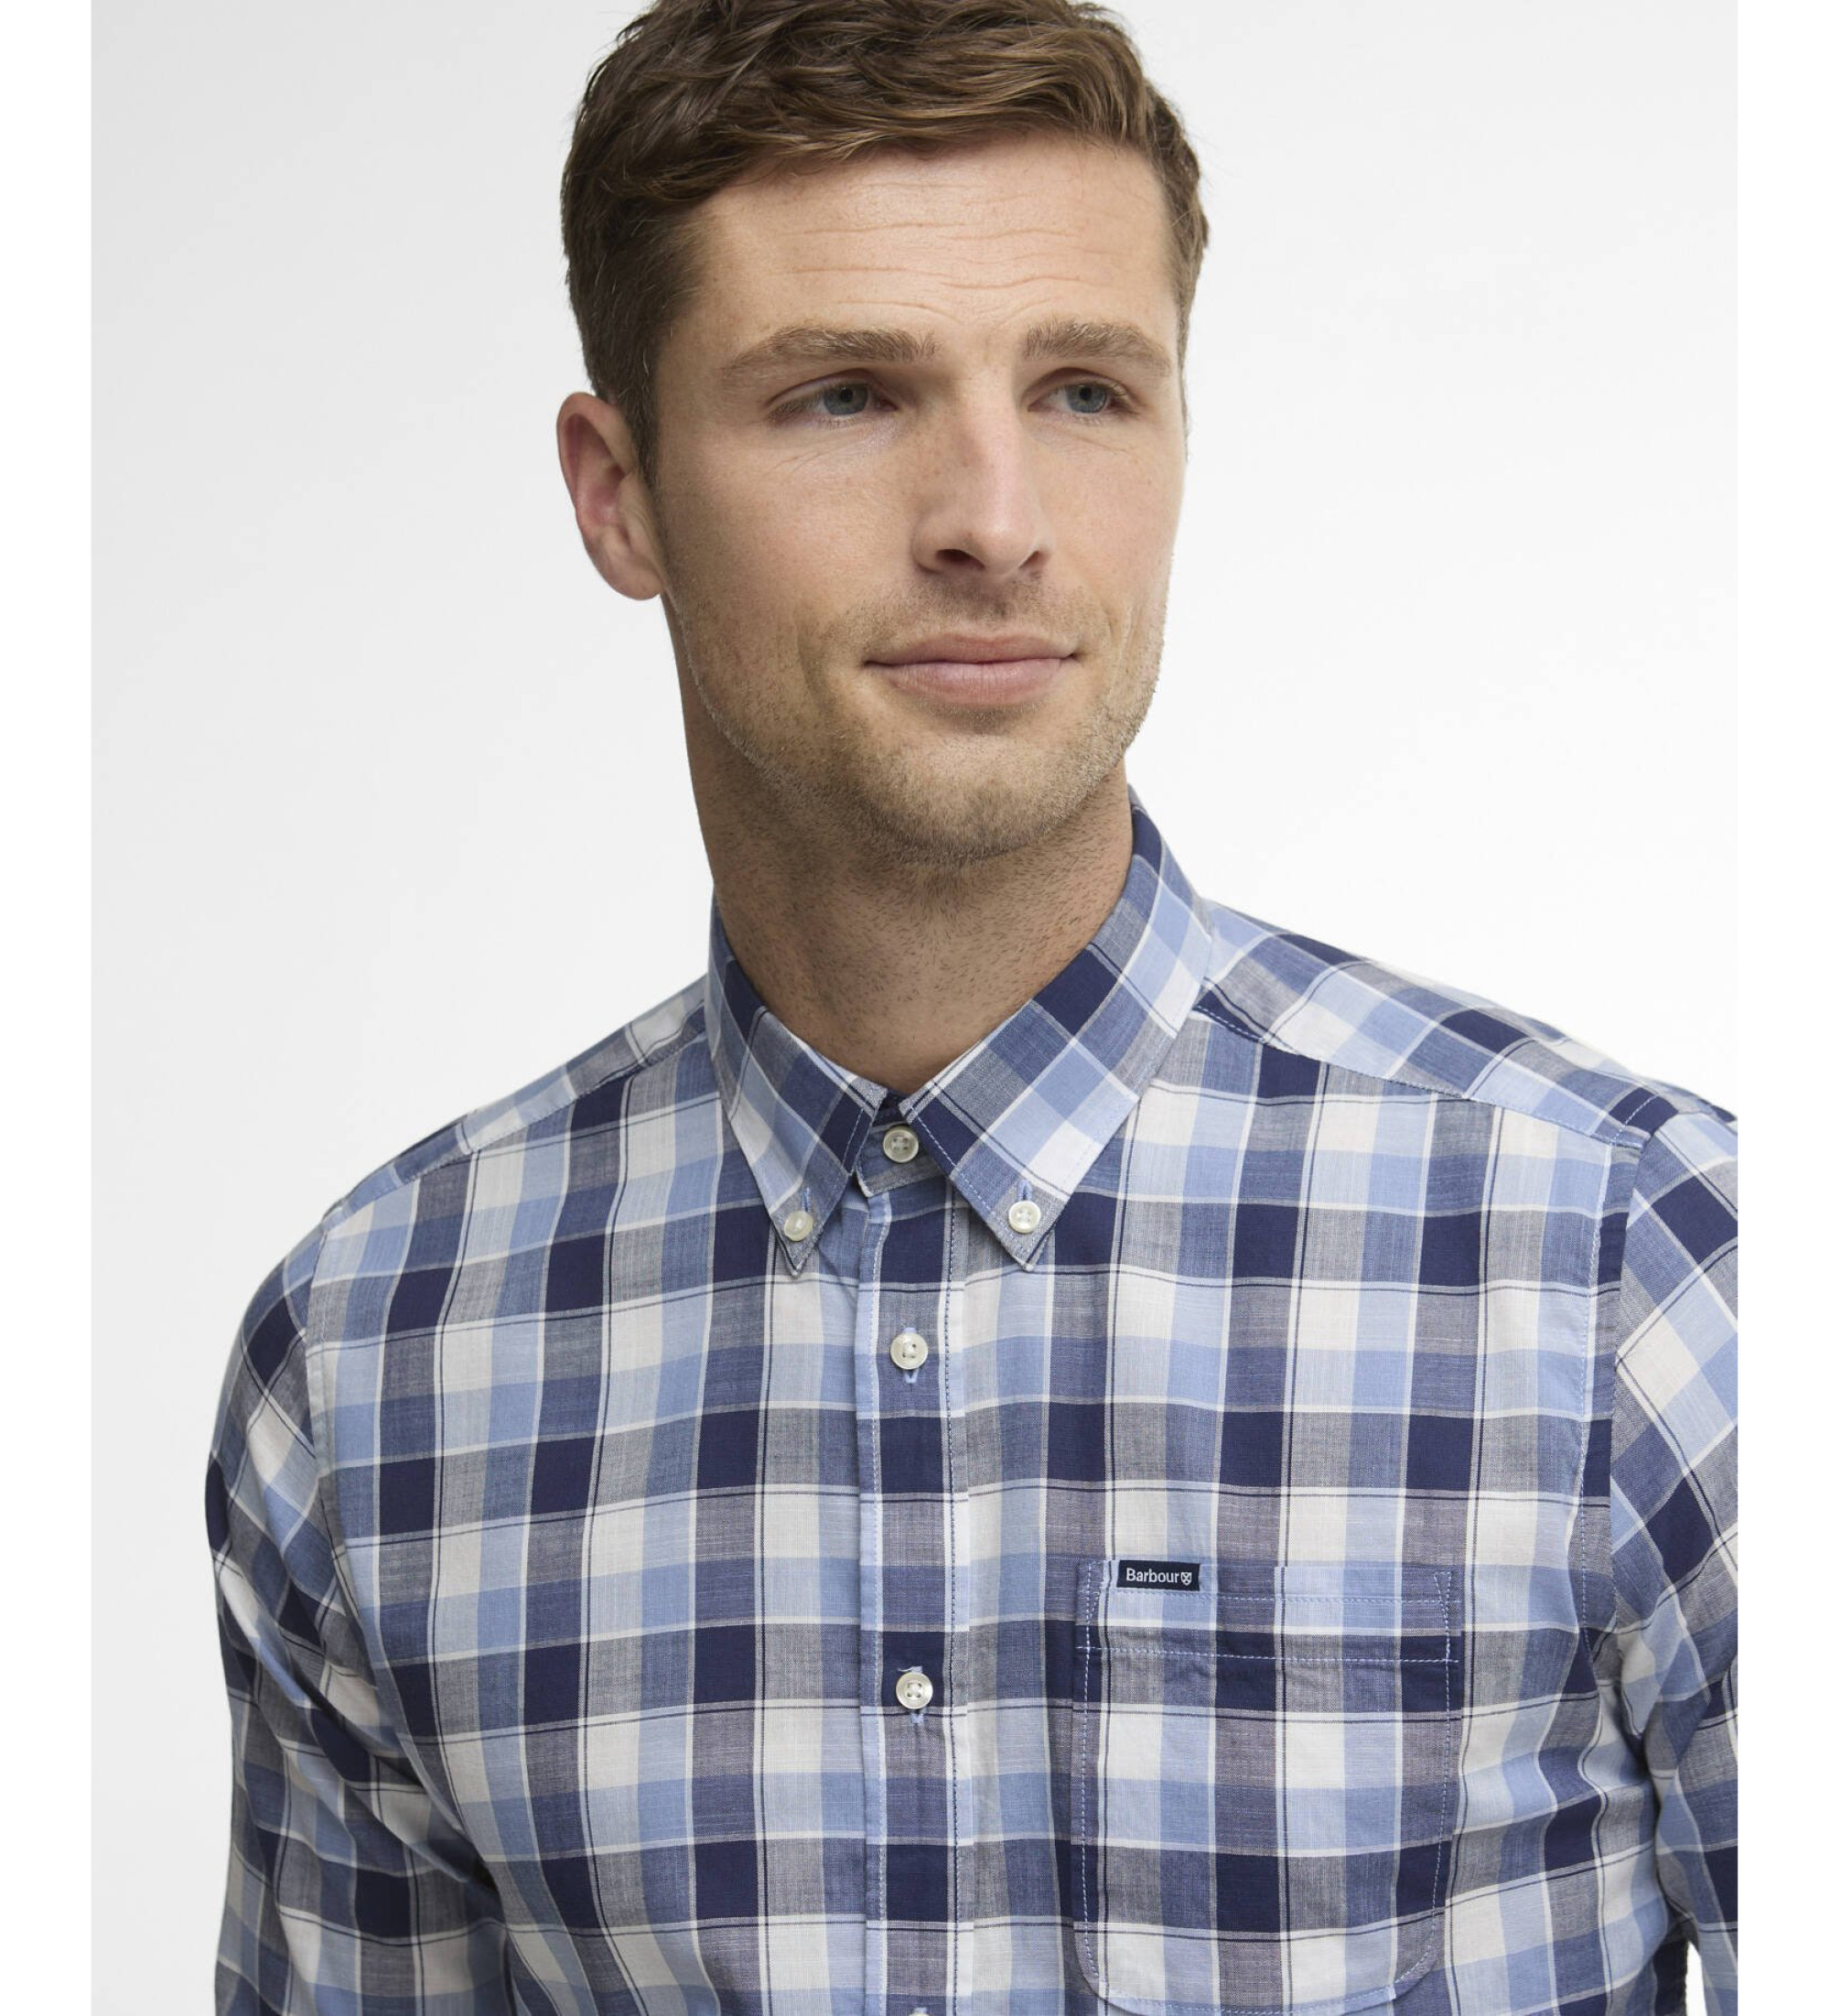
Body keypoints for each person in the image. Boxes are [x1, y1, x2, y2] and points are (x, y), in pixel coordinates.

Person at [205, 2, 1737, 2011]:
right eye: (846, 394)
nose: (995, 518)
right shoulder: (375, 1361)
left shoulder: (1640, 1273)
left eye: (1086, 389)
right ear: (618, 492)